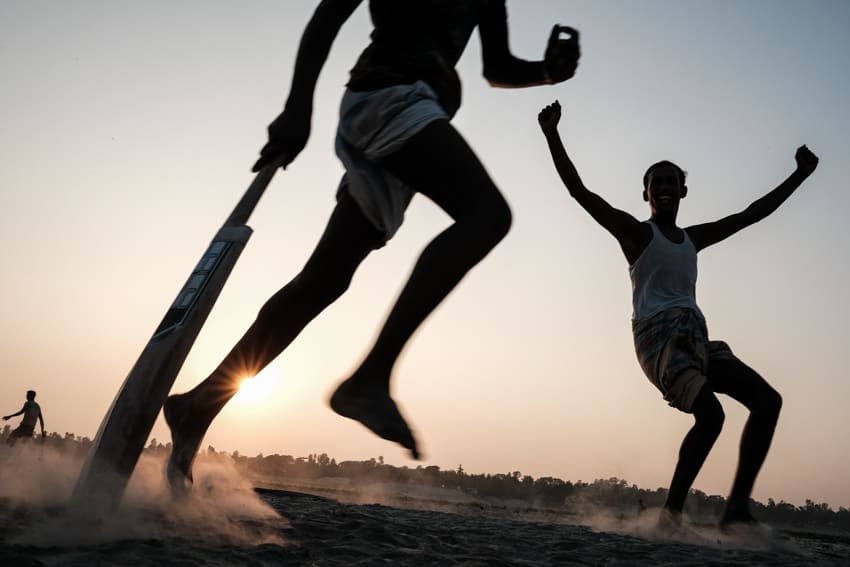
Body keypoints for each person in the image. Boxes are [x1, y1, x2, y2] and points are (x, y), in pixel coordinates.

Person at [163, 0, 581, 488]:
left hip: (410, 120)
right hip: (388, 100)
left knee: (324, 280)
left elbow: (497, 68)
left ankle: (198, 405)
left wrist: (548, 72)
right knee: (487, 216)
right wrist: (298, 107)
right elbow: (328, 17)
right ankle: (370, 379)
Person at [537, 100, 818, 527]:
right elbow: (580, 193)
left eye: (672, 181)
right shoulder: (636, 234)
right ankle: (671, 512)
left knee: (768, 401)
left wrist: (799, 175)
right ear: (646, 193)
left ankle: (736, 509)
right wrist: (552, 133)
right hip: (659, 341)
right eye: (657, 183)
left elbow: (750, 215)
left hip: (696, 338)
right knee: (712, 416)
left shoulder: (693, 238)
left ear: (683, 191)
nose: (665, 187)